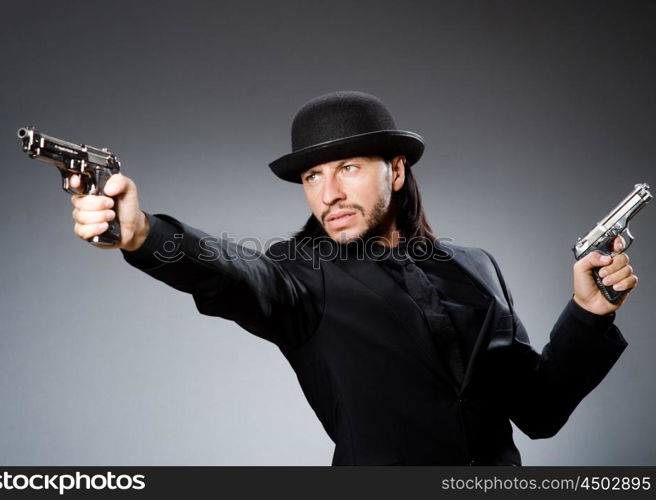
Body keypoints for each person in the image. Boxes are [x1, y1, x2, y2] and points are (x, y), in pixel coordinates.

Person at [69, 91, 637, 465]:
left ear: (395, 169)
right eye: (313, 176)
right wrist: (143, 233)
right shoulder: (296, 274)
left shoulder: (476, 266)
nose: (329, 193)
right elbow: (228, 271)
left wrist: (590, 313)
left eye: (347, 167)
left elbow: (538, 412)